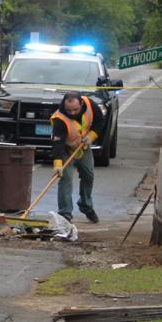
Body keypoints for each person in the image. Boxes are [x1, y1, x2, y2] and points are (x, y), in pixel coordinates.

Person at [50, 90, 103, 223]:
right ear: (64, 105)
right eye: (69, 110)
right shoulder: (59, 119)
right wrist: (57, 164)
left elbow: (100, 122)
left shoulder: (90, 105)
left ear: (81, 103)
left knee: (88, 175)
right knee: (65, 178)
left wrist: (92, 136)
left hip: (83, 146)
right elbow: (58, 144)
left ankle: (86, 206)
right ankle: (65, 213)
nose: (72, 113)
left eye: (75, 109)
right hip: (65, 148)